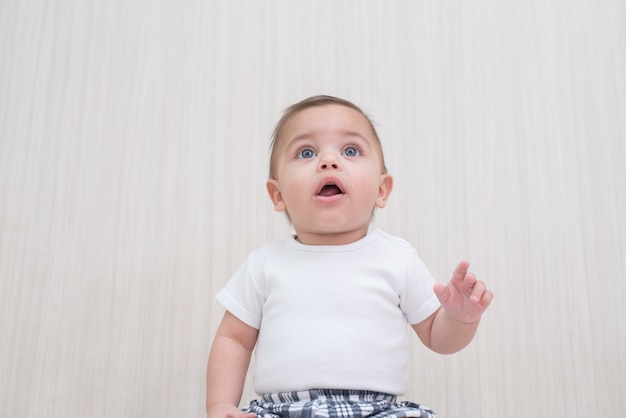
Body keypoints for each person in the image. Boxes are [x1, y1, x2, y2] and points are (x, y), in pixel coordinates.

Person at [205, 95, 493, 418]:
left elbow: (437, 337)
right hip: (282, 410)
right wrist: (220, 405)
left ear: (382, 190)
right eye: (306, 152)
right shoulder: (263, 264)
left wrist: (460, 318)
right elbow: (234, 340)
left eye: (350, 151)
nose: (328, 162)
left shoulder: (397, 259)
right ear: (278, 195)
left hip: (377, 411)